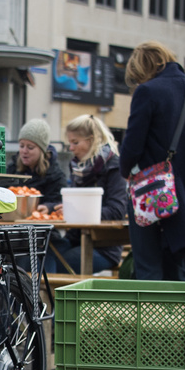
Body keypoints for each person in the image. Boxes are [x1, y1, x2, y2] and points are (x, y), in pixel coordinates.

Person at [118, 41, 185, 281]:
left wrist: (127, 170)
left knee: (148, 266)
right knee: (177, 268)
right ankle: (177, 318)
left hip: (153, 191)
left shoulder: (147, 92)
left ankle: (150, 318)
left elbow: (132, 147)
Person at [45, 114, 128, 274]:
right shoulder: (78, 167)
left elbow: (117, 211)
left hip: (103, 247)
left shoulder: (114, 167)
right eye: (70, 142)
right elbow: (73, 202)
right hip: (76, 240)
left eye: (75, 142)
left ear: (92, 140)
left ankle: (51, 299)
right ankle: (47, 299)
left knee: (52, 263)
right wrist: (50, 208)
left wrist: (77, 211)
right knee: (39, 255)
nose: (71, 148)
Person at [9, 119, 66, 210]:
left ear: (42, 150)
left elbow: (59, 202)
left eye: (30, 147)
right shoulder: (11, 169)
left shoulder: (55, 175)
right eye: (21, 146)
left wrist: (49, 207)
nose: (24, 151)